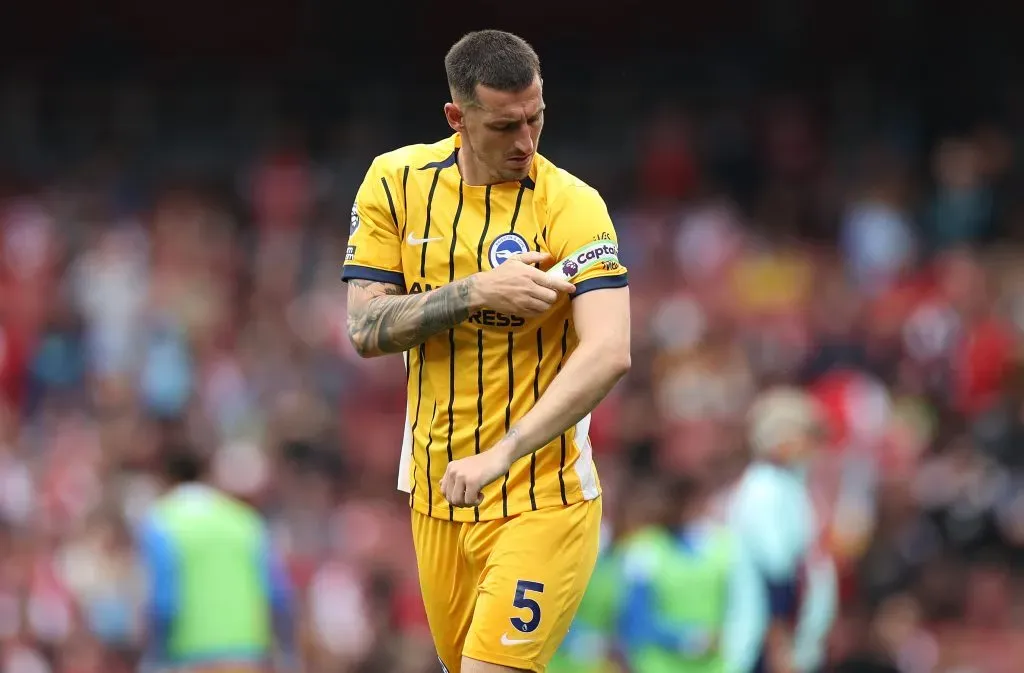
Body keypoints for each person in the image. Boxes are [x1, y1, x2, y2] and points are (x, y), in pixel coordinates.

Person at [342, 29, 631, 673]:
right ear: (457, 118)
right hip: (439, 493)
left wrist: (502, 453)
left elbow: (611, 349)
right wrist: (474, 291)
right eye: (505, 126)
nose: (527, 142)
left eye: (537, 119)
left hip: (543, 497)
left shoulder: (573, 205)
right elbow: (364, 331)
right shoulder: (395, 184)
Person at [136, 447, 297, 673]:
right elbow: (278, 595)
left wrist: (155, 657)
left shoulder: (161, 520)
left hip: (189, 656)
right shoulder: (244, 520)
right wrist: (288, 653)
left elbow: (164, 602)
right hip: (246, 653)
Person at [727, 387, 839, 673]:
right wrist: (779, 645)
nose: (814, 447)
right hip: (767, 645)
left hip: (792, 641)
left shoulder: (787, 486)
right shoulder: (765, 489)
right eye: (807, 436)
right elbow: (775, 571)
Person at [617, 477, 767, 673]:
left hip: (714, 666)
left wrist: (736, 657)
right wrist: (687, 638)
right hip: (656, 665)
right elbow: (635, 620)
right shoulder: (643, 550)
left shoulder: (727, 546)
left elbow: (745, 611)